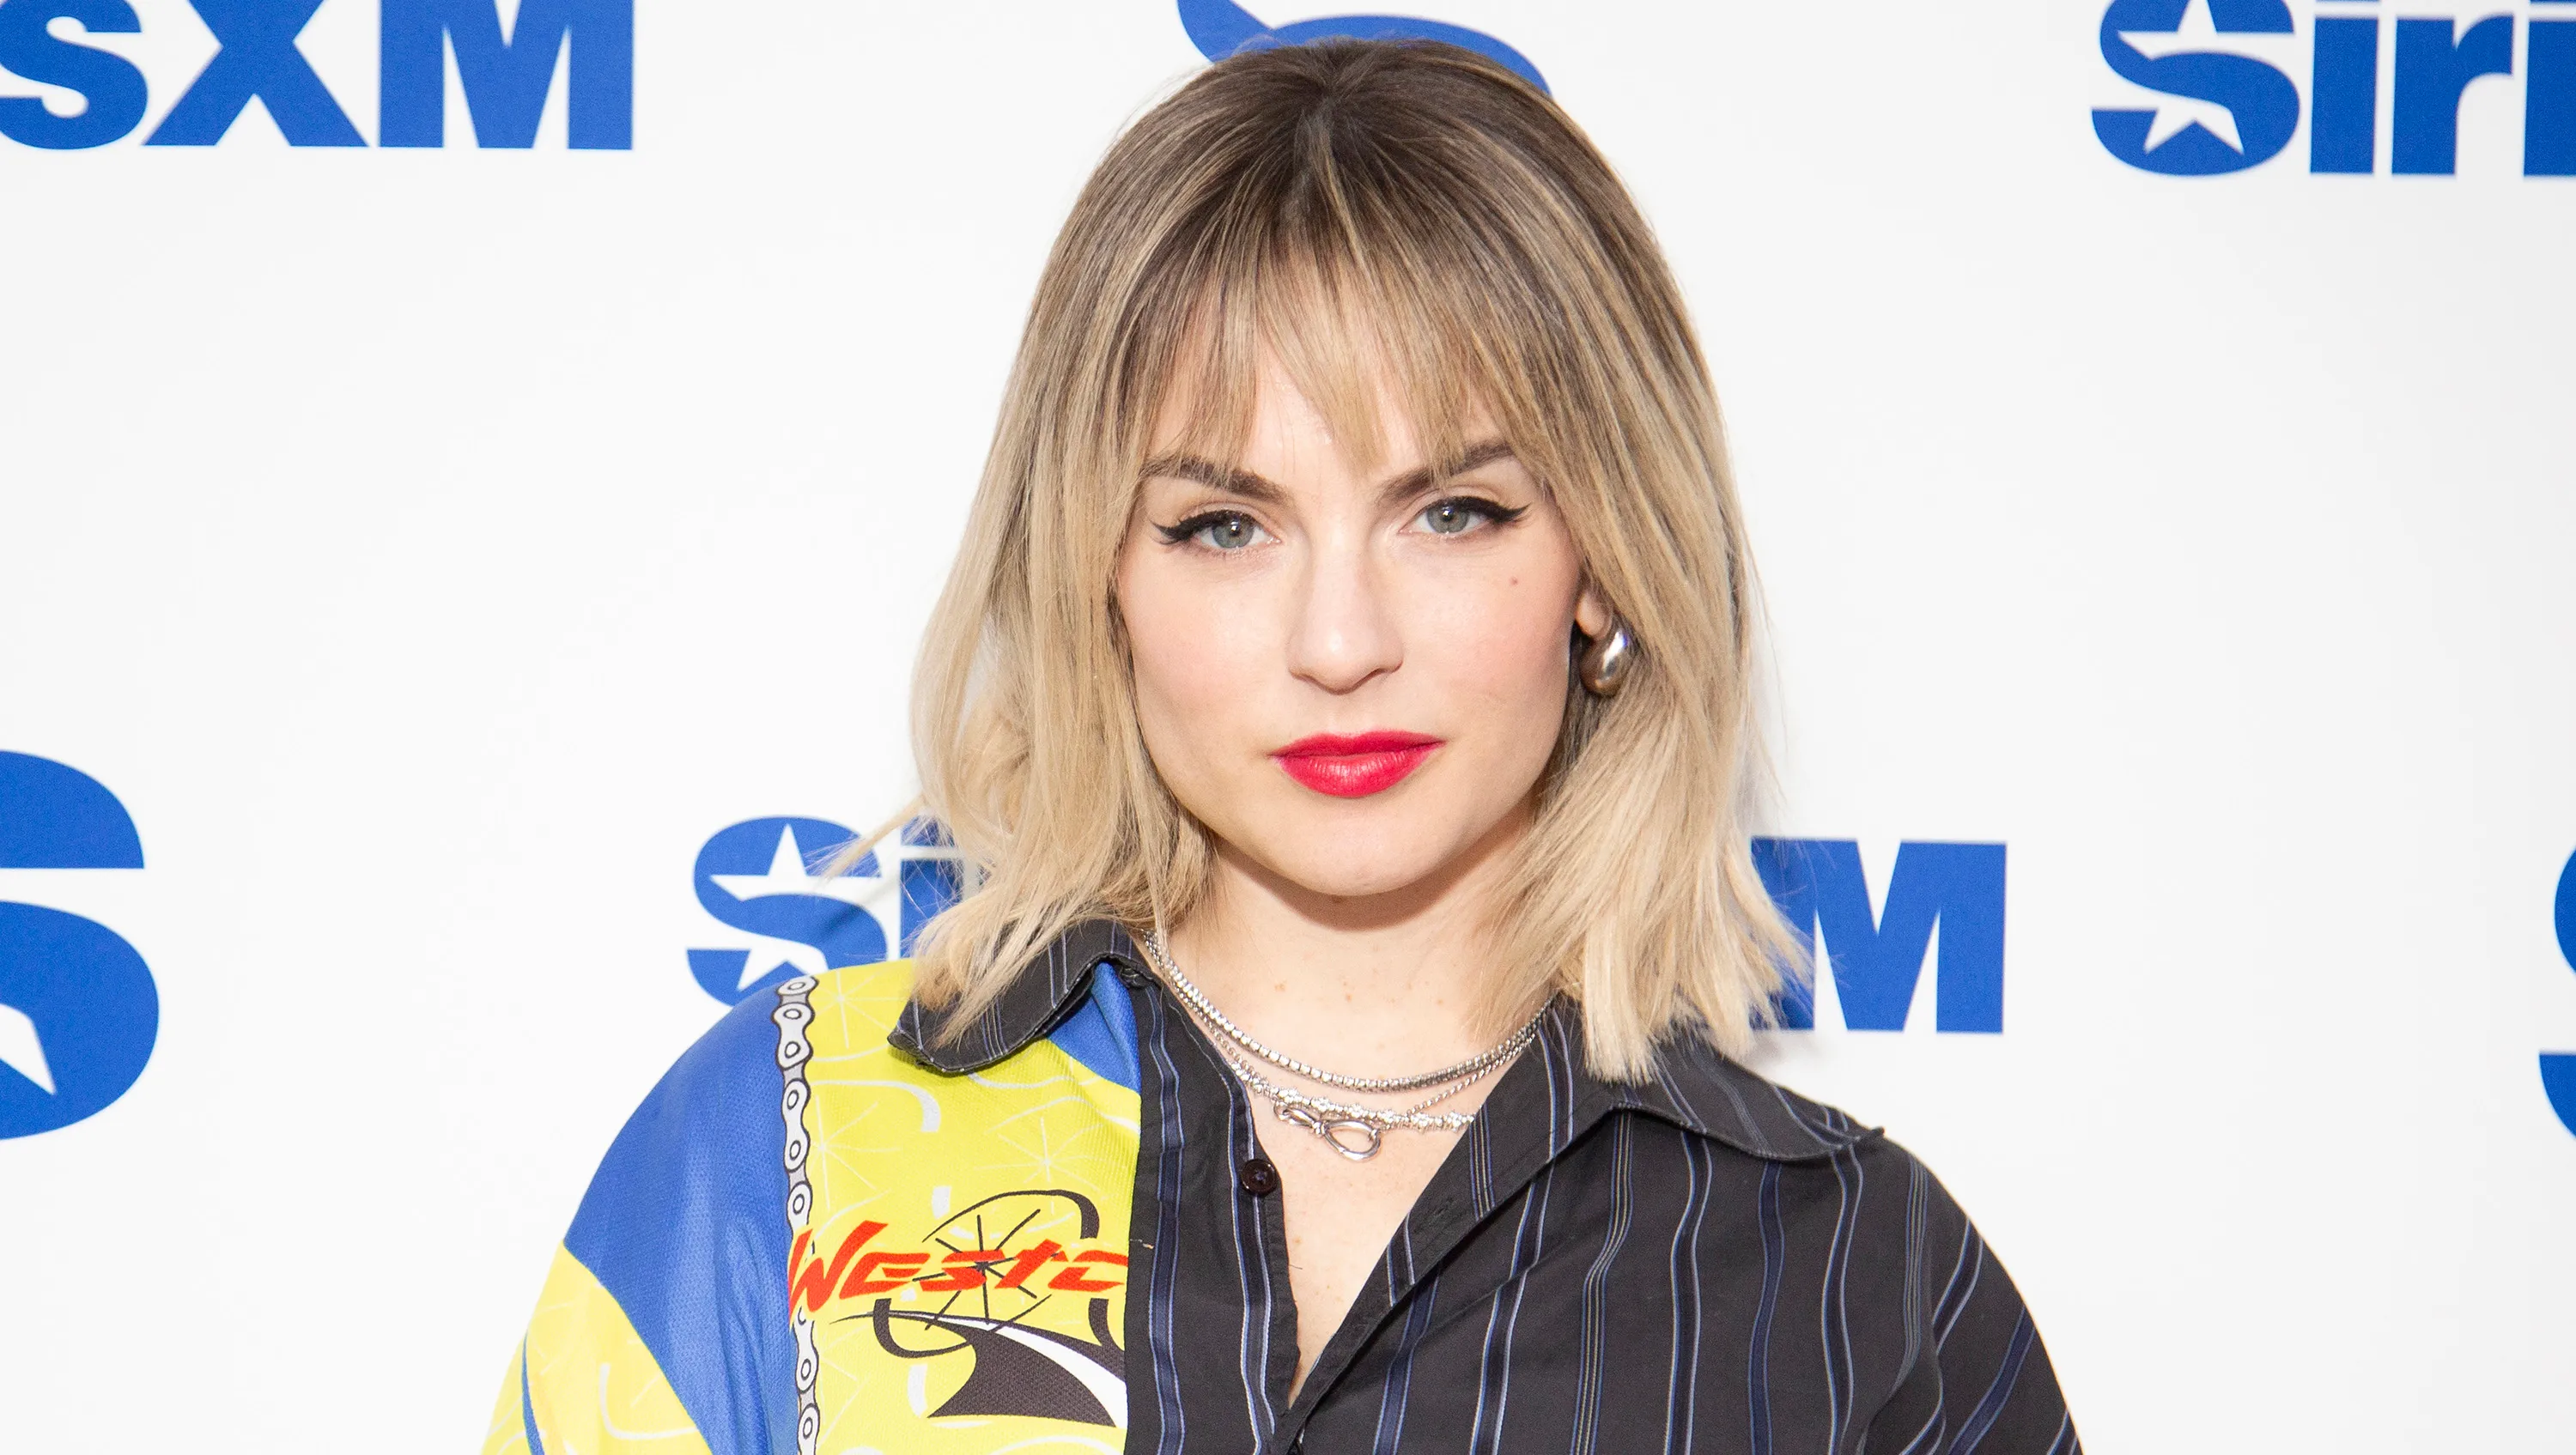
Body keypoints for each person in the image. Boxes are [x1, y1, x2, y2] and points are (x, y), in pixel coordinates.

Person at [483, 39, 2078, 1455]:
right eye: (1225, 523)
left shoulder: (1861, 1288)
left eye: (1453, 511)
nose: (1338, 640)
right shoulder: (786, 1142)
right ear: (1096, 571)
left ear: (1602, 560)